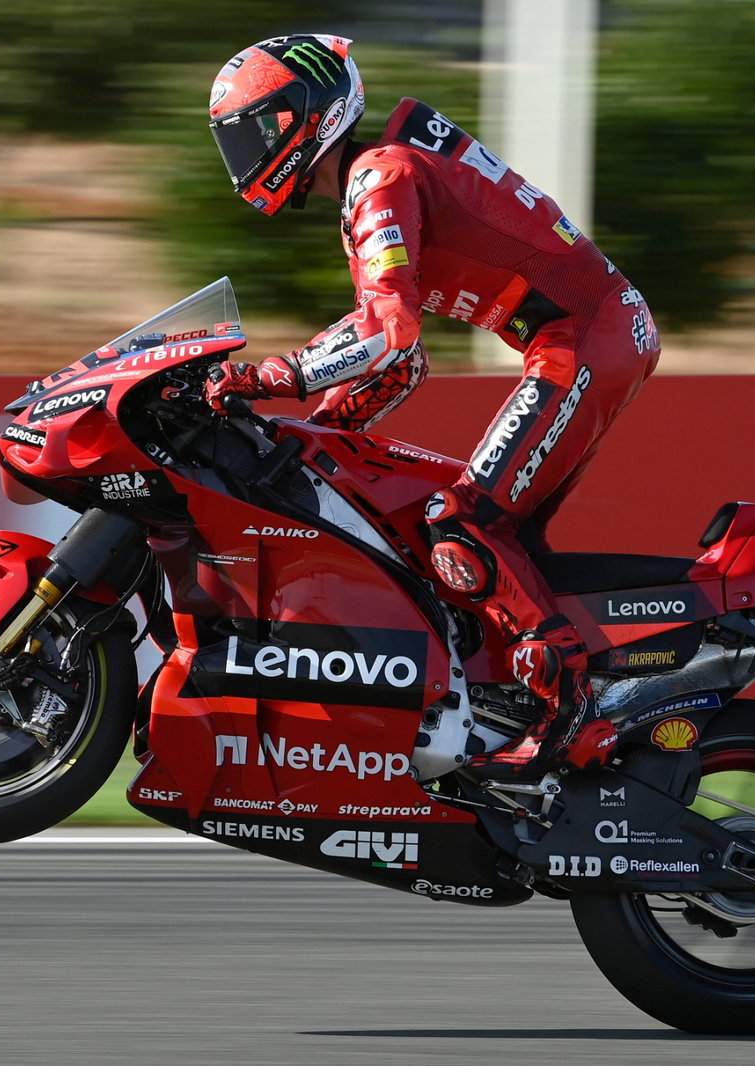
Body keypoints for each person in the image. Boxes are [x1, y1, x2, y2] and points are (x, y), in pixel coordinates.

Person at [204, 34, 660, 779]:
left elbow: (389, 332)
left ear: (307, 115)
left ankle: (572, 708)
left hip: (584, 337)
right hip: (585, 333)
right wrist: (313, 438)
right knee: (492, 543)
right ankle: (529, 693)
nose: (246, 153)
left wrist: (263, 381)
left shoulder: (378, 177)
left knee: (464, 523)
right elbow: (403, 363)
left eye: (258, 129)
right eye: (237, 139)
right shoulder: (373, 175)